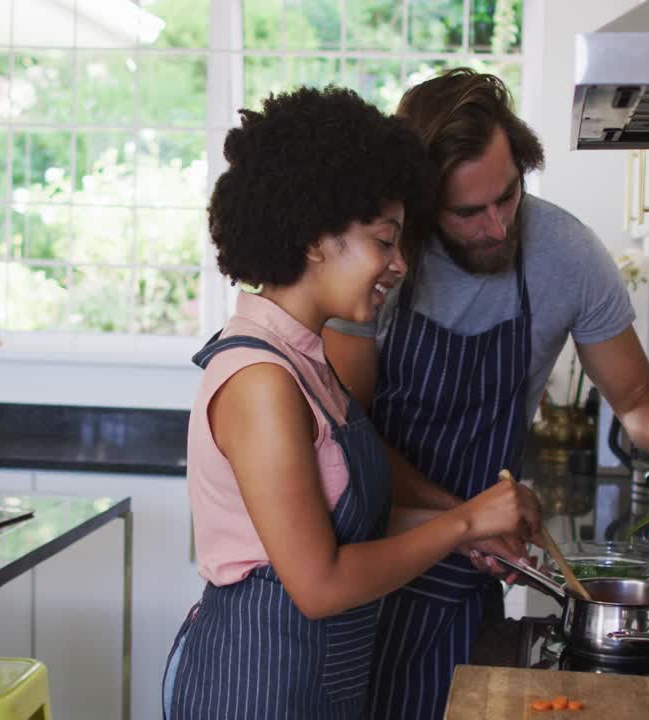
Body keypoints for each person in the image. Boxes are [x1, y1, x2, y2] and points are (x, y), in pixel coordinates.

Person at [322, 69, 649, 719]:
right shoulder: (377, 264)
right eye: (468, 211)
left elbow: (638, 394)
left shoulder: (564, 253)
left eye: (508, 196)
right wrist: (467, 518)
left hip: (465, 585)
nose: (497, 225)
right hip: (363, 569)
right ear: (421, 204)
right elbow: (347, 443)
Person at [162, 86, 543, 720]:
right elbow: (318, 583)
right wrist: (465, 522)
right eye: (384, 240)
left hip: (316, 688)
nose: (398, 264)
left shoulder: (310, 366)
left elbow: (348, 526)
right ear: (316, 238)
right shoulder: (261, 381)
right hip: (252, 688)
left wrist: (470, 534)